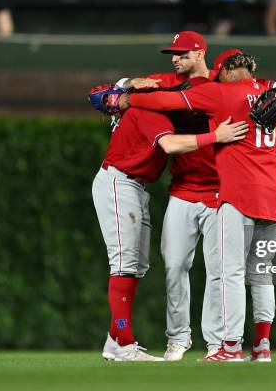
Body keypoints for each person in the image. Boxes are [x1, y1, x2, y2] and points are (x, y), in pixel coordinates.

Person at [114, 52, 276, 362]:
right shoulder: (268, 92)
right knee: (261, 273)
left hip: (238, 194)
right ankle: (262, 346)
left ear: (221, 72)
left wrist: (127, 101)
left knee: (230, 272)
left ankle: (230, 348)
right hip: (273, 194)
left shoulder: (219, 91)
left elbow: (164, 103)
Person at [89, 47, 249, 361]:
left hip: (134, 186)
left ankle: (116, 339)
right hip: (119, 181)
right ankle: (122, 342)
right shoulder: (150, 111)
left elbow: (108, 95)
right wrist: (216, 135)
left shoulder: (167, 99)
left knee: (135, 267)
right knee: (124, 265)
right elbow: (171, 144)